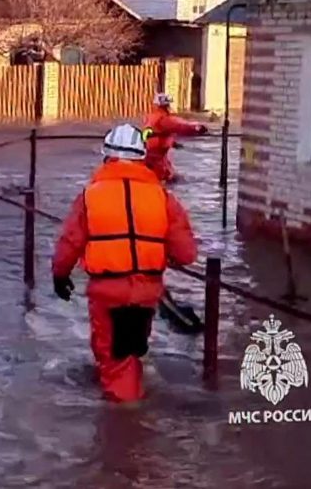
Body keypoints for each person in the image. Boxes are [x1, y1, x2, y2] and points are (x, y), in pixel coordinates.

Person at [50, 124, 198, 403]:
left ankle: (125, 431)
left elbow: (69, 243)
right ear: (142, 158)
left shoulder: (89, 197)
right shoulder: (164, 198)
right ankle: (133, 408)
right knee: (130, 352)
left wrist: (60, 276)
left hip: (107, 293)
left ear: (106, 157)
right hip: (146, 293)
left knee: (114, 360)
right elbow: (186, 254)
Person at [142, 92, 208, 182]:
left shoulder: (151, 118)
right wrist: (197, 127)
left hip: (151, 156)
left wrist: (173, 143)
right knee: (169, 178)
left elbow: (155, 135)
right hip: (158, 161)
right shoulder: (164, 119)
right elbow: (181, 126)